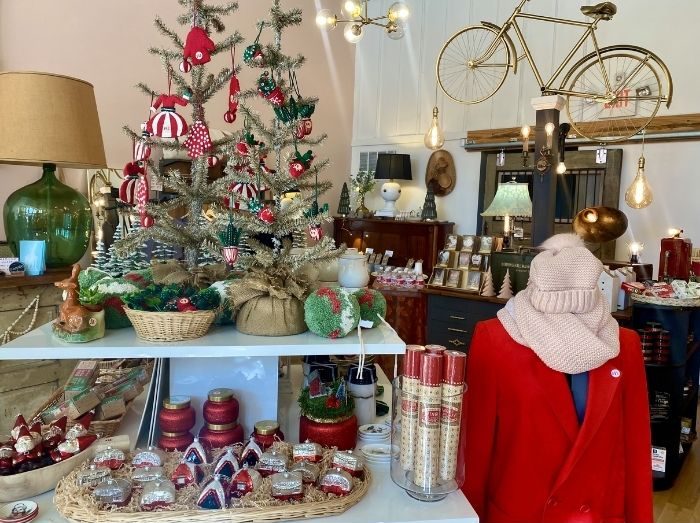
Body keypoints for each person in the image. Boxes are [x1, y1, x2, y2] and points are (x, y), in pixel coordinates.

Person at [461, 233, 652, 523]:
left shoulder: (624, 345)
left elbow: (636, 451)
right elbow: (475, 450)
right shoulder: (495, 339)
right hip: (522, 514)